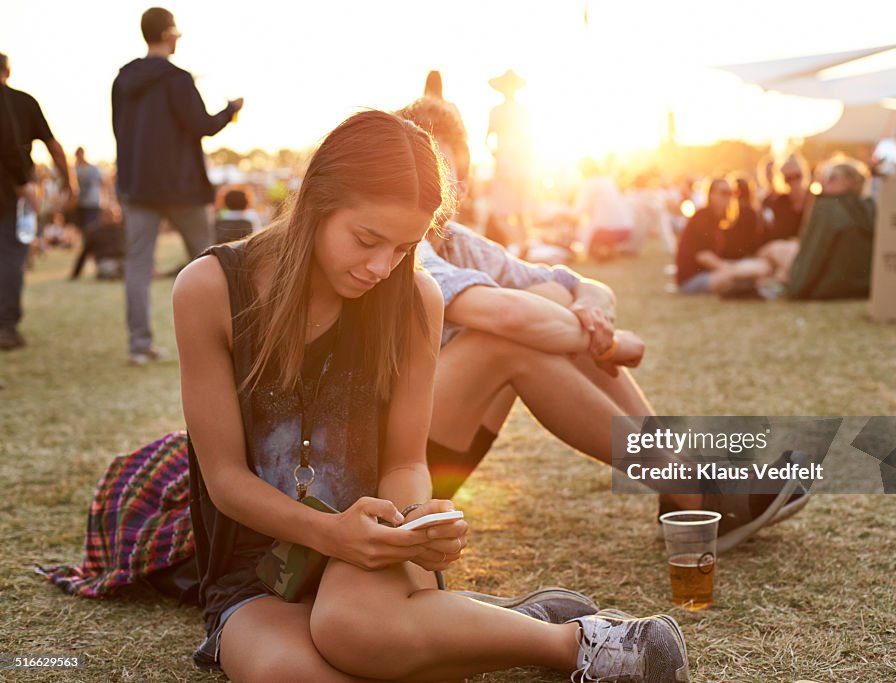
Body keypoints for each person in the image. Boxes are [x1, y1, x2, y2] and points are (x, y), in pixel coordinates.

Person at [173, 109, 690, 683]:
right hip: (255, 569)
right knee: (287, 674)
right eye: (367, 239)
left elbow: (404, 461)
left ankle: (577, 644)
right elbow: (225, 481)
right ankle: (500, 625)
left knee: (353, 630)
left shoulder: (416, 296)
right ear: (317, 200)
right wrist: (329, 533)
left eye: (403, 247)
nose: (380, 266)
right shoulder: (211, 288)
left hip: (379, 550)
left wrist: (417, 520)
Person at [397, 97, 804, 552]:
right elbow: (502, 315)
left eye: (451, 180)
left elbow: (578, 285)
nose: (439, 195)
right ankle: (696, 491)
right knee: (510, 339)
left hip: (431, 445)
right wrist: (607, 343)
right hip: (390, 471)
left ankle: (682, 486)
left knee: (546, 301)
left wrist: (590, 312)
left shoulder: (460, 242)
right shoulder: (402, 247)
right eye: (423, 177)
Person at [112, 6, 243, 366]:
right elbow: (202, 125)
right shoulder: (178, 79)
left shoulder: (123, 80)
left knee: (138, 266)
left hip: (138, 187)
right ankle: (230, 341)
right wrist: (230, 110)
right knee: (212, 262)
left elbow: (118, 132)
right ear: (169, 35)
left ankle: (139, 347)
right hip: (183, 188)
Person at [696, 158, 875, 300]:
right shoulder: (868, 206)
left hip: (825, 276)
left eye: (833, 178)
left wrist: (795, 287)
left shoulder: (827, 206)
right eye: (787, 178)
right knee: (772, 256)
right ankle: (738, 276)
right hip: (853, 281)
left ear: (850, 182)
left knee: (772, 254)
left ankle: (735, 276)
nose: (826, 183)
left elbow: (815, 253)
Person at [0, 52, 71, 351]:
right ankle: (6, 326)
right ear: (8, 70)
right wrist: (67, 182)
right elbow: (52, 146)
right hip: (11, 193)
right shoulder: (20, 101)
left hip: (12, 192)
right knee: (11, 257)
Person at [487, 69, 533, 254]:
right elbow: (530, 140)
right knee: (521, 212)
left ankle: (519, 245)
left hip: (506, 164)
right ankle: (522, 245)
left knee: (502, 213)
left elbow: (487, 138)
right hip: (522, 166)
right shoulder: (522, 111)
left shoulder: (497, 111)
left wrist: (497, 155)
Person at [70, 147, 104, 279]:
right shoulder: (75, 170)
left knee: (93, 233)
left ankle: (95, 261)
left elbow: (102, 183)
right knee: (86, 234)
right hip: (80, 205)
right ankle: (89, 261)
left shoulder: (92, 169)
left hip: (93, 204)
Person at [762, 153, 809, 242]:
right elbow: (777, 234)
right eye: (788, 178)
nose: (793, 182)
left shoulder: (814, 199)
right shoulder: (779, 202)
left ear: (803, 174)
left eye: (797, 176)